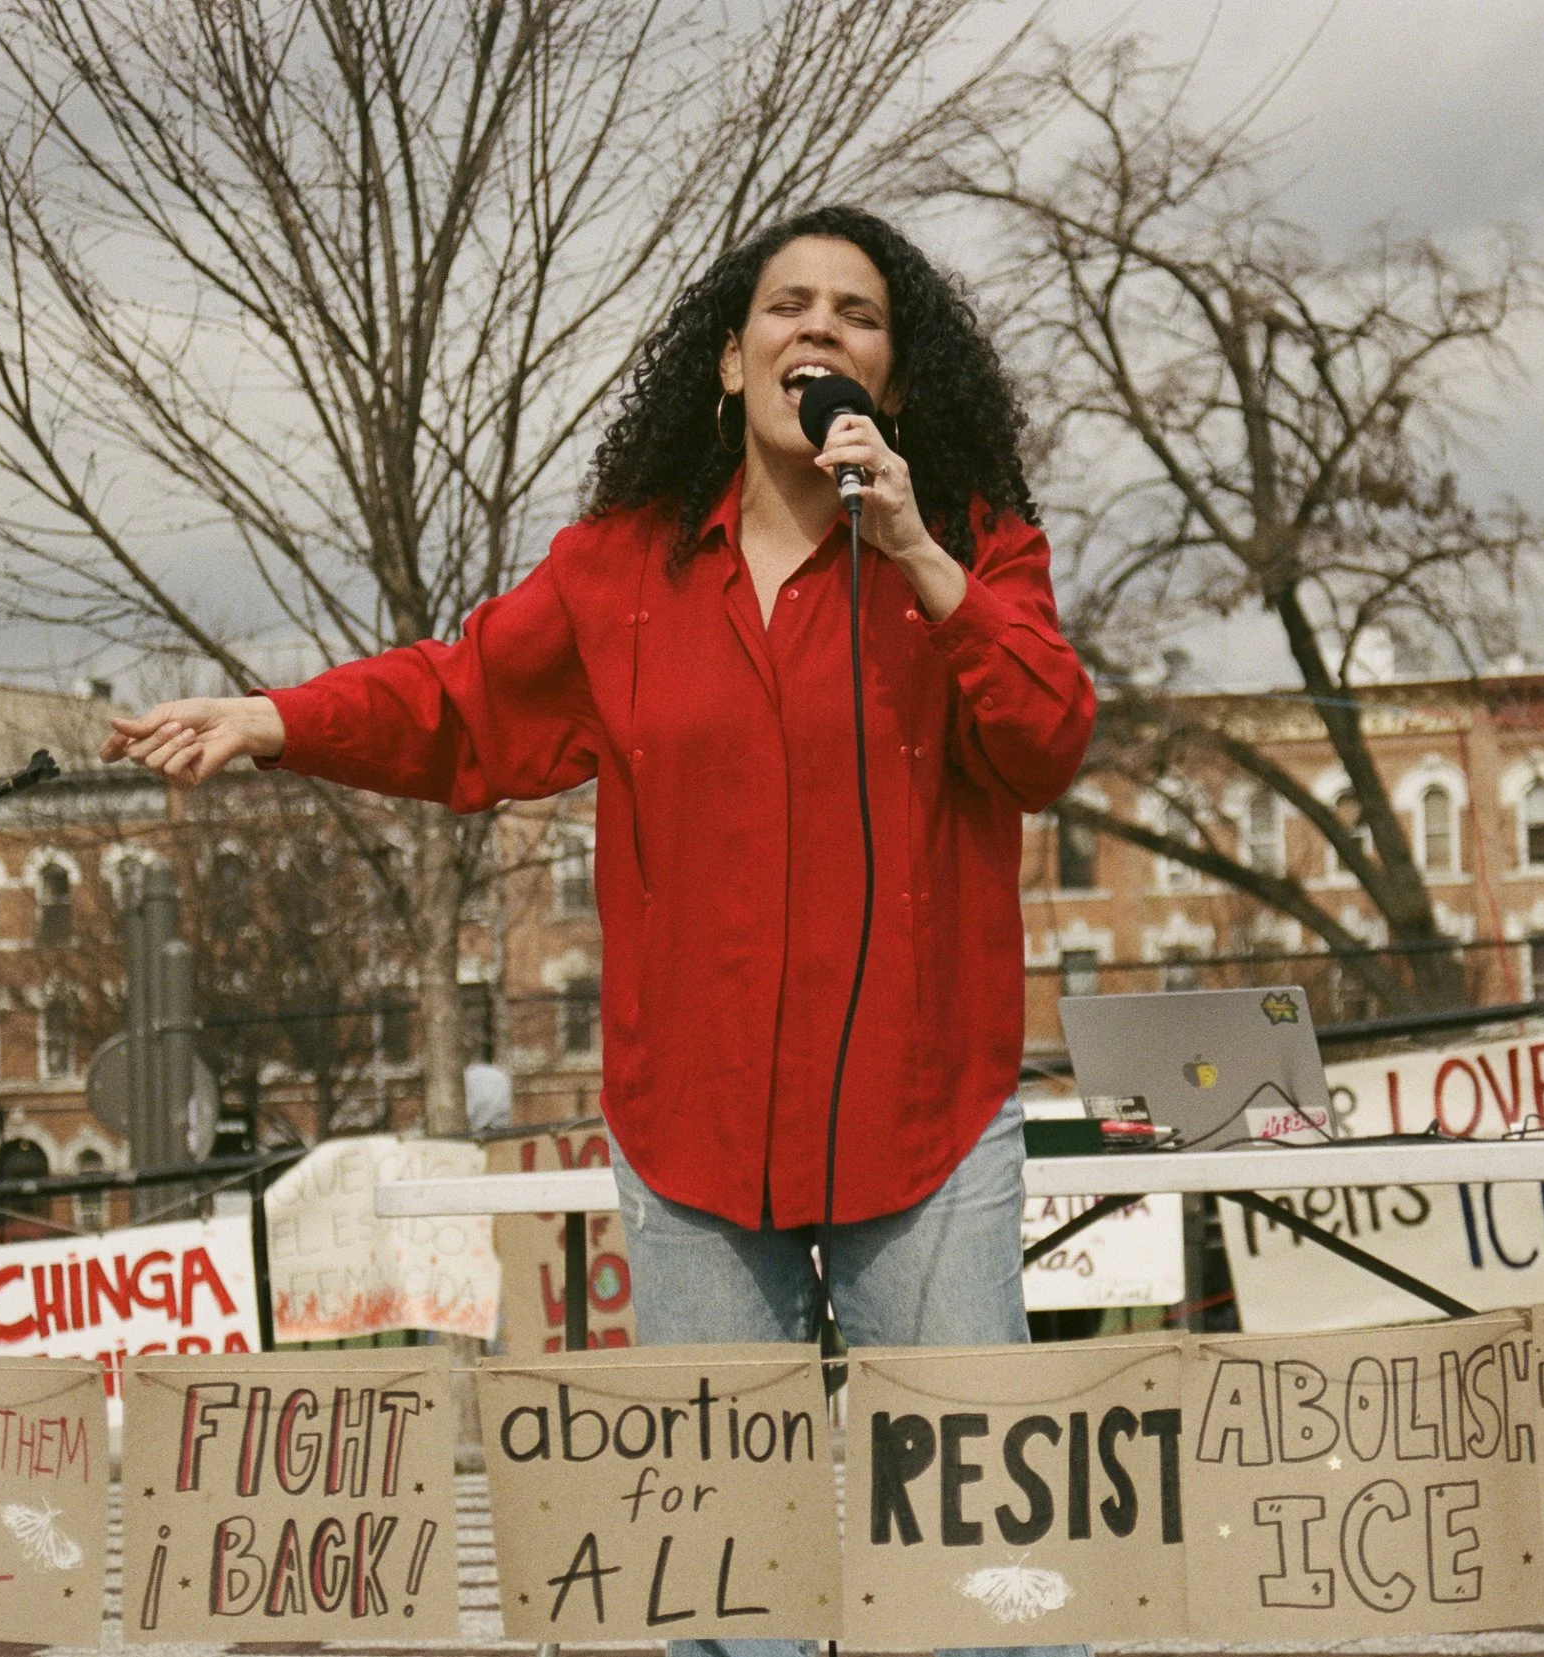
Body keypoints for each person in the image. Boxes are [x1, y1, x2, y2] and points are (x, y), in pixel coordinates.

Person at [104, 204, 1092, 1657]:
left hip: (923, 1126)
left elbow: (1049, 739)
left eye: (858, 314)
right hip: (692, 1145)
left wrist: (927, 559)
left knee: (983, 1583)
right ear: (725, 358)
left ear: (896, 375)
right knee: (721, 1586)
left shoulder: (976, 554)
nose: (816, 328)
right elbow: (456, 702)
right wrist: (275, 720)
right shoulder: (621, 574)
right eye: (786, 306)